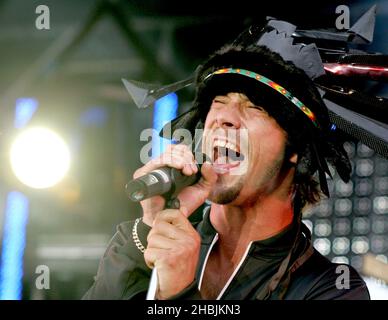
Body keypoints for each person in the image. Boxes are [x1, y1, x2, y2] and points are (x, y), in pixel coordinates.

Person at [83, 24, 370, 300]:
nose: (224, 117)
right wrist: (146, 231)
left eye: (254, 107)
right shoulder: (157, 244)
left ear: (296, 149)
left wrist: (179, 293)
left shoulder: (331, 289)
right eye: (218, 102)